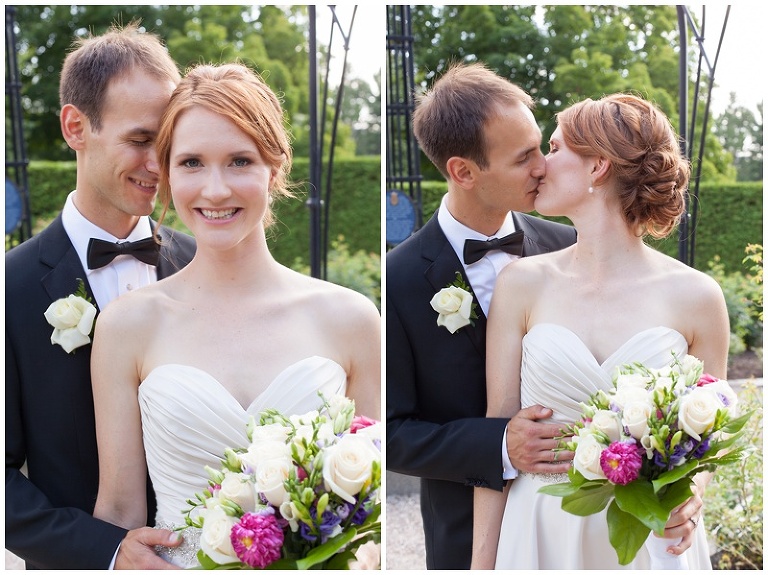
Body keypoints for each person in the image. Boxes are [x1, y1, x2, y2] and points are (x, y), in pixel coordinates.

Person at [89, 62, 382, 568]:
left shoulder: (351, 320)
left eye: (240, 161)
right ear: (165, 174)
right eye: (192, 163)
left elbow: (372, 512)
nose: (216, 189)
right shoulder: (126, 326)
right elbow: (119, 509)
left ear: (275, 168)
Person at [471, 93, 728, 569]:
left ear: (597, 167)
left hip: (651, 538)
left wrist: (690, 498)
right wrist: (481, 566)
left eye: (553, 147)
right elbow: (498, 436)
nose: (540, 165)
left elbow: (705, 444)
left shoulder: (698, 297)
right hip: (542, 528)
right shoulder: (522, 284)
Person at [5, 22, 196, 570]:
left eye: (166, 144)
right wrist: (106, 552)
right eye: (140, 141)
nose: (159, 166)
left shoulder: (207, 264)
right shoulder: (11, 289)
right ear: (75, 127)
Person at [386, 62, 577, 569]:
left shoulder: (570, 245)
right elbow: (389, 432)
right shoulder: (400, 278)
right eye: (523, 158)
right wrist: (499, 444)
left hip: (574, 520)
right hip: (463, 536)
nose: (543, 166)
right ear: (463, 172)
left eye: (540, 147)